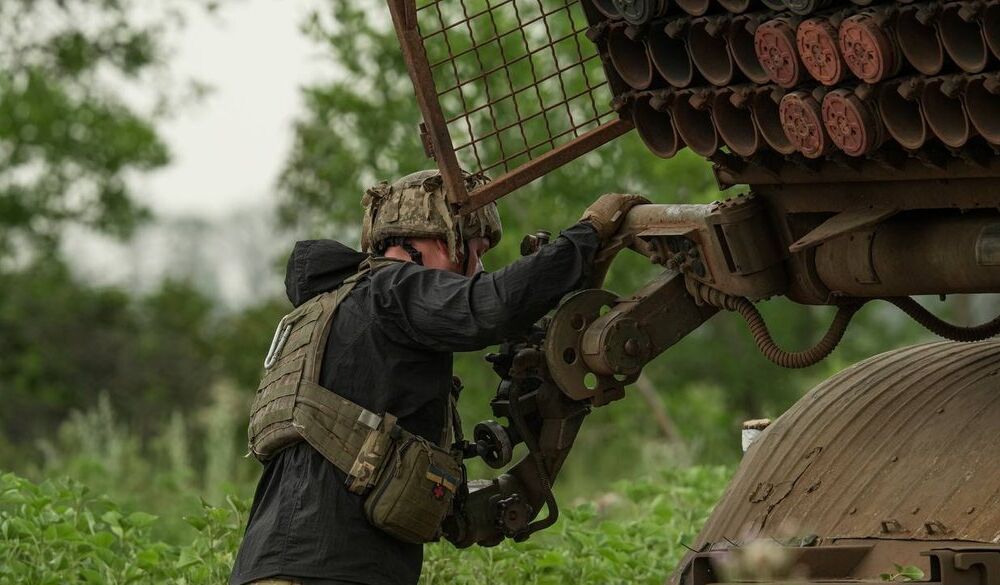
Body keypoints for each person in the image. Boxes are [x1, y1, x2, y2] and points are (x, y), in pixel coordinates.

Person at [229, 169, 647, 585]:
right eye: (470, 249)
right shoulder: (389, 289)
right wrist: (588, 233)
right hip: (327, 568)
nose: (478, 268)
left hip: (285, 564)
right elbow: (490, 307)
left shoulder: (339, 310)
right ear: (418, 243)